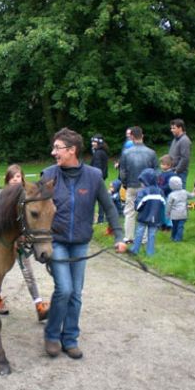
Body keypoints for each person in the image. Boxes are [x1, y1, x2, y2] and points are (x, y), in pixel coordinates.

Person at [41, 127, 127, 360]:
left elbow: (109, 207)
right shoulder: (48, 175)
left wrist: (119, 236)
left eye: (57, 148)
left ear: (72, 150)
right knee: (65, 289)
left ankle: (70, 339)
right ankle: (51, 335)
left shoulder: (93, 176)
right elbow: (35, 211)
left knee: (76, 293)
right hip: (56, 241)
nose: (53, 152)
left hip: (80, 243)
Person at [0, 164, 50, 321]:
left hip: (22, 243)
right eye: (12, 177)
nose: (15, 180)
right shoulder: (1, 197)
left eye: (18, 177)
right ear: (7, 180)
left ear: (22, 179)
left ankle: (38, 305)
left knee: (28, 272)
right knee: (0, 272)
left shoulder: (27, 197)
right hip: (6, 244)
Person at [119, 126, 158, 243]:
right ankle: (144, 238)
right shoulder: (151, 153)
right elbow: (156, 171)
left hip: (131, 184)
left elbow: (122, 171)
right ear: (142, 136)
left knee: (130, 211)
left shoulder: (126, 153)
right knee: (145, 210)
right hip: (146, 186)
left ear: (131, 137)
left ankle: (129, 237)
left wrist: (125, 184)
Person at [129, 168, 165, 256]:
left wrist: (137, 208)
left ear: (146, 181)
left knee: (139, 232)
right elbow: (164, 203)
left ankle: (135, 250)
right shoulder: (160, 191)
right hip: (155, 217)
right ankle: (150, 252)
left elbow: (138, 205)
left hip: (144, 216)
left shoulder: (144, 192)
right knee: (152, 234)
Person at [165, 176, 195, 242]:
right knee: (180, 227)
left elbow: (168, 205)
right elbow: (192, 196)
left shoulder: (171, 195)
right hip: (183, 214)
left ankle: (173, 237)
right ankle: (178, 238)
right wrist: (194, 190)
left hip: (174, 215)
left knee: (174, 226)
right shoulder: (184, 192)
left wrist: (167, 213)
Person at [90, 134, 109, 223]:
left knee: (94, 199)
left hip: (97, 179)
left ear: (99, 143)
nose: (92, 143)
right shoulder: (102, 152)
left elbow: (97, 167)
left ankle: (98, 218)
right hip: (101, 178)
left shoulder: (98, 153)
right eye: (92, 141)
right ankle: (100, 218)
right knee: (100, 199)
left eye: (94, 142)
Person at [168, 118, 192, 188]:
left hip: (180, 173)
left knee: (180, 195)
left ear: (180, 128)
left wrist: (176, 171)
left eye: (173, 128)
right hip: (172, 171)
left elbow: (185, 158)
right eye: (171, 128)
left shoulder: (184, 140)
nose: (171, 130)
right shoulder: (175, 139)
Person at [157, 154, 176, 230]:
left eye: (163, 164)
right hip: (161, 195)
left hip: (168, 194)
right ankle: (162, 223)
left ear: (169, 165)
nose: (162, 166)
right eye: (161, 164)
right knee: (161, 209)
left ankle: (168, 225)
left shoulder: (171, 174)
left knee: (167, 210)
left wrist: (161, 188)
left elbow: (169, 185)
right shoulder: (161, 173)